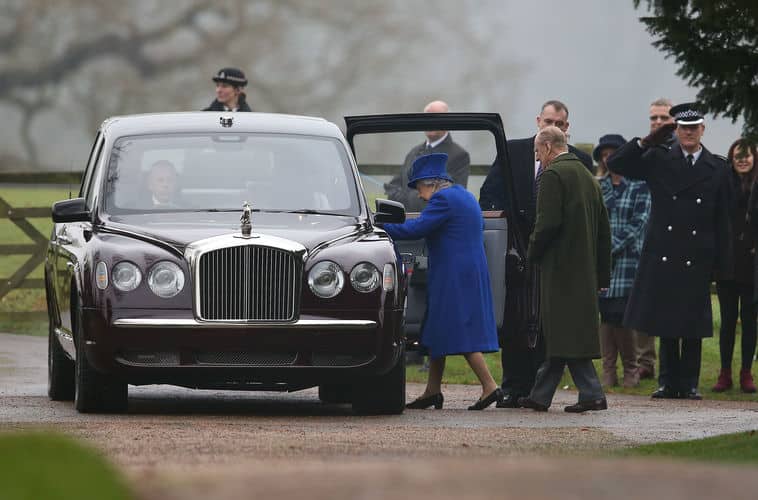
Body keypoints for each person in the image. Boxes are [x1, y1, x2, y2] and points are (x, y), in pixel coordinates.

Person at [607, 102, 732, 400]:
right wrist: (646, 140)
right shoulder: (658, 158)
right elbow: (617, 164)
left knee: (691, 322)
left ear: (703, 129)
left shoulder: (717, 167)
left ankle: (688, 383)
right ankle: (666, 382)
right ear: (676, 129)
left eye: (693, 128)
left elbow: (723, 219)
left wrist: (721, 263)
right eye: (683, 128)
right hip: (664, 250)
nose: (688, 133)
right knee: (664, 320)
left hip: (698, 252)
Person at [478, 99, 593, 409]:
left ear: (567, 128)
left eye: (560, 122)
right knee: (515, 320)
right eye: (548, 120)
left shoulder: (579, 160)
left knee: (546, 322)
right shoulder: (512, 150)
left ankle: (538, 391)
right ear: (538, 120)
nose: (553, 126)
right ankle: (513, 386)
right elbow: (489, 195)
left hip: (554, 253)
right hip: (516, 248)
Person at [382, 153, 503, 410]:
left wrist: (380, 226)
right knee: (438, 328)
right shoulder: (465, 196)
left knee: (460, 329)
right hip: (469, 271)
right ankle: (432, 391)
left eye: (420, 188)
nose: (420, 195)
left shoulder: (443, 200)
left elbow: (415, 230)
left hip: (453, 275)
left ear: (432, 183)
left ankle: (490, 386)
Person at [518, 126, 611, 413]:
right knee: (564, 333)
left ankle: (593, 394)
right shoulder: (588, 176)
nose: (537, 157)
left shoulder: (553, 175)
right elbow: (604, 231)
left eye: (537, 151)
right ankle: (541, 396)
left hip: (559, 270)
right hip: (584, 272)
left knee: (564, 333)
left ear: (547, 147)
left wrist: (530, 254)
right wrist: (602, 274)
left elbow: (546, 224)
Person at [594, 134, 651, 388]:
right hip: (603, 263)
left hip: (629, 261)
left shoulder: (640, 185)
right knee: (606, 313)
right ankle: (609, 370)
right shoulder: (597, 185)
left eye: (613, 153)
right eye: (604, 154)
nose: (609, 158)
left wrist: (611, 247)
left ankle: (631, 368)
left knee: (623, 313)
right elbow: (593, 220)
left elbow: (638, 224)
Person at [635, 98, 676, 382]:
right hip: (644, 234)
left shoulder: (681, 150)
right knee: (644, 301)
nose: (658, 123)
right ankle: (644, 360)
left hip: (673, 236)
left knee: (671, 304)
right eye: (653, 118)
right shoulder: (646, 151)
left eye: (663, 118)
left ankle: (671, 366)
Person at [714, 138, 758, 393]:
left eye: (747, 155)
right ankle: (725, 373)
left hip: (752, 264)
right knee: (728, 320)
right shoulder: (723, 184)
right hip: (728, 263)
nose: (742, 159)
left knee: (750, 321)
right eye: (737, 155)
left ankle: (746, 374)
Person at [384, 100, 470, 213]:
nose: (430, 123)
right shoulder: (413, 151)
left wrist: (405, 197)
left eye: (435, 118)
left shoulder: (459, 155)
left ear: (448, 122)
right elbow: (392, 188)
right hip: (406, 219)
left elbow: (447, 199)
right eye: (426, 118)